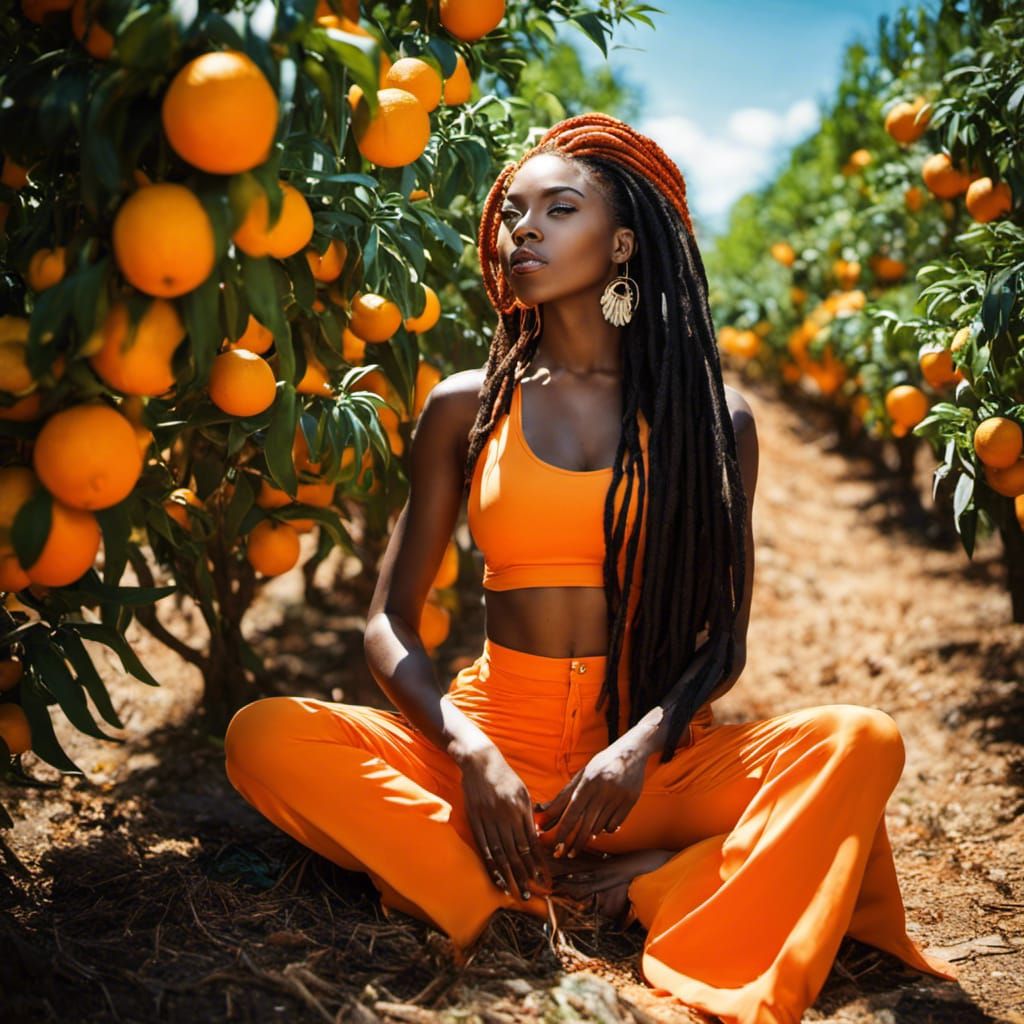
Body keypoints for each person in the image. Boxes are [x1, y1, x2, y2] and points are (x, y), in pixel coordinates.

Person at [223, 113, 958, 1024]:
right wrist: (471, 752)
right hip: (494, 754)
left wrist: (637, 748)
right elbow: (388, 624)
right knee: (264, 735)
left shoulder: (711, 421)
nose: (520, 230)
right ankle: (528, 893)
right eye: (510, 214)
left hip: (645, 771)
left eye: (557, 209)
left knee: (860, 740)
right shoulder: (466, 407)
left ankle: (651, 882)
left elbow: (720, 642)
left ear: (620, 245)